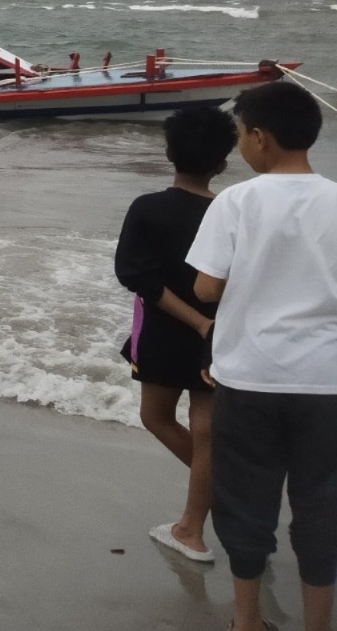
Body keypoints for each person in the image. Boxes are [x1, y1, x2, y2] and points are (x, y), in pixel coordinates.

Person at [187, 81, 337, 631]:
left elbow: (205, 287)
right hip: (326, 381)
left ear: (260, 138)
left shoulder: (236, 201)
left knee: (245, 502)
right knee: (322, 506)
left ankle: (246, 620)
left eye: (242, 137)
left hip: (249, 376)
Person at [114, 106, 238, 564]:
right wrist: (208, 324)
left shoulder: (147, 208)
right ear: (223, 162)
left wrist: (194, 321)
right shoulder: (228, 213)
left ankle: (198, 520)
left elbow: (137, 277)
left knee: (157, 416)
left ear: (169, 153)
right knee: (206, 431)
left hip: (164, 332)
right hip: (219, 336)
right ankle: (197, 522)